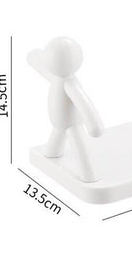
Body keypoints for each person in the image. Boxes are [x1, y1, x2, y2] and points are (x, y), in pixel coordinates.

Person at [27, 37, 105, 182]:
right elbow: (42, 68)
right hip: (58, 121)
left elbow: (84, 103)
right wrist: (34, 58)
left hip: (72, 124)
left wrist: (94, 126)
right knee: (58, 132)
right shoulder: (57, 78)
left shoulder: (70, 84)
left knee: (78, 145)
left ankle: (89, 174)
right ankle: (52, 152)